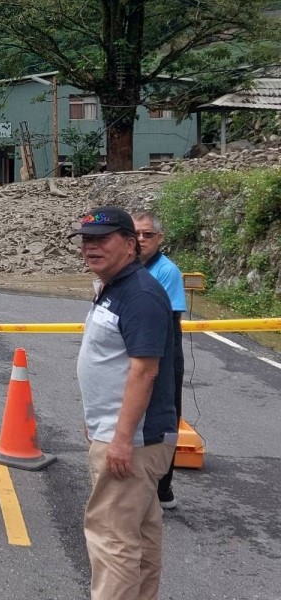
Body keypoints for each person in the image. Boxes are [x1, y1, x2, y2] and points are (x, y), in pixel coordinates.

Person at [71, 206, 178, 600]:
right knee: (141, 536)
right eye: (86, 240)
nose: (91, 247)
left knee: (111, 540)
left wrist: (120, 438)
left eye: (102, 239)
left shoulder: (141, 295)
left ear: (131, 245)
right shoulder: (114, 287)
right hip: (122, 435)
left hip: (132, 443)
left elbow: (144, 372)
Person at [132, 211, 187, 510]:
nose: (141, 240)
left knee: (165, 414)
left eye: (148, 235)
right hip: (137, 343)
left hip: (164, 346)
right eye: (136, 234)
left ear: (159, 238)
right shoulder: (128, 266)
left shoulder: (166, 271)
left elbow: (167, 319)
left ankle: (163, 487)